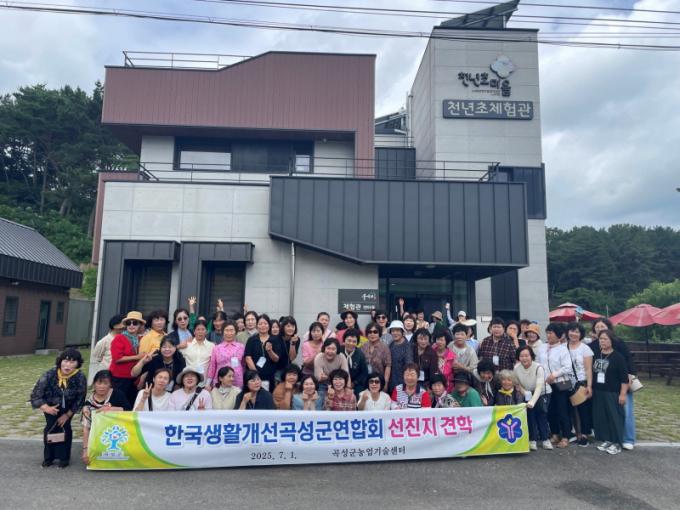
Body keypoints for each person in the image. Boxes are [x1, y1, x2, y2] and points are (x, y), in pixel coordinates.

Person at [30, 348, 87, 468]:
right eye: (65, 361)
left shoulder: (80, 376)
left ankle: (64, 458)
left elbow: (80, 398)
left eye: (72, 362)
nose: (68, 365)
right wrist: (46, 408)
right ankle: (49, 457)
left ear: (77, 363)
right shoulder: (49, 374)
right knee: (51, 428)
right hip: (50, 407)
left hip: (68, 409)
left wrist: (67, 415)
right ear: (60, 361)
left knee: (65, 428)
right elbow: (36, 394)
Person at [590, 318, 637, 451]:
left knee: (623, 412)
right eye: (597, 327)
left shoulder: (618, 347)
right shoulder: (594, 348)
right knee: (605, 415)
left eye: (602, 326)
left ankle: (626, 439)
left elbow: (627, 361)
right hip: (601, 388)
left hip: (618, 386)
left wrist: (630, 377)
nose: (599, 329)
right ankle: (608, 439)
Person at [80, 370, 130, 464]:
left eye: (105, 383)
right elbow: (86, 428)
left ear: (110, 384)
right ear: (94, 384)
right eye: (99, 383)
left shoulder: (118, 394)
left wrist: (111, 409)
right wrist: (85, 451)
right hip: (98, 437)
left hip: (118, 434)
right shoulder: (88, 404)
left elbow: (129, 411)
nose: (102, 386)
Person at [537, 322, 573, 449]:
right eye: (547, 333)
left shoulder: (563, 349)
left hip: (560, 384)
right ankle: (555, 433)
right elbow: (538, 363)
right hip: (546, 384)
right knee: (550, 410)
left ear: (558, 335)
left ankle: (566, 436)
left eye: (551, 333)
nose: (548, 335)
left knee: (562, 410)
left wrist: (554, 375)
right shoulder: (542, 347)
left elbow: (567, 367)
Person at [514, 345, 551, 451]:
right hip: (527, 393)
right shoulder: (516, 368)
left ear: (531, 356)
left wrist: (532, 401)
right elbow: (517, 384)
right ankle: (532, 440)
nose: (524, 358)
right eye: (521, 356)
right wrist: (525, 393)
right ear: (518, 357)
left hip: (542, 393)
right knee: (530, 416)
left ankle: (545, 439)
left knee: (541, 414)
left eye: (527, 355)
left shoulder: (539, 367)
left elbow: (539, 387)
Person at [566, 321, 594, 447]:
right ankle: (575, 433)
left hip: (581, 382)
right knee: (570, 410)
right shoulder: (563, 347)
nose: (574, 334)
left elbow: (588, 369)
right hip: (566, 383)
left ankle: (584, 434)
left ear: (581, 334)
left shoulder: (585, 348)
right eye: (572, 331)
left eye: (577, 332)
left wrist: (589, 386)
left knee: (583, 410)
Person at [109, 311, 145, 405]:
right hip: (119, 378)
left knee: (132, 405)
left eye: (135, 323)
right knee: (118, 404)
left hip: (135, 379)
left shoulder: (141, 339)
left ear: (140, 325)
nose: (131, 325)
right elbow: (117, 358)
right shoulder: (119, 338)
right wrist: (137, 357)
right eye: (129, 323)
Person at [244, 314, 286, 391]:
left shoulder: (275, 340)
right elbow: (248, 358)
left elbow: (276, 359)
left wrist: (270, 351)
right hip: (254, 377)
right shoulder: (251, 340)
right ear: (257, 326)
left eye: (265, 323)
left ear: (269, 325)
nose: (263, 326)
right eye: (260, 324)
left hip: (270, 376)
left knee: (268, 396)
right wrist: (256, 375)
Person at [206, 319, 245, 390]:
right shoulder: (216, 348)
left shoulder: (241, 347)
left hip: (237, 381)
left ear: (236, 332)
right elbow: (212, 366)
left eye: (231, 330)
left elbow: (243, 365)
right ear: (222, 332)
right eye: (226, 330)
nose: (229, 333)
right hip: (220, 382)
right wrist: (208, 383)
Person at [90, 313, 125, 384]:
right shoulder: (104, 341)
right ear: (115, 325)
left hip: (120, 374)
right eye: (123, 323)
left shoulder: (125, 339)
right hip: (106, 374)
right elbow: (97, 358)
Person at [361, 321, 392, 393]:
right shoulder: (363, 347)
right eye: (370, 332)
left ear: (379, 333)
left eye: (375, 332)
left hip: (379, 382)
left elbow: (388, 366)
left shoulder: (384, 348)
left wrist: (385, 383)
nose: (372, 334)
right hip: (365, 382)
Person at [388, 320, 414, 392]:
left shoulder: (407, 347)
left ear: (402, 332)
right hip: (391, 382)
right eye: (393, 331)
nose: (395, 333)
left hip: (402, 384)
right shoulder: (391, 344)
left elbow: (409, 366)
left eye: (397, 330)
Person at [341, 328, 368, 396]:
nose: (351, 343)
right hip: (340, 381)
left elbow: (364, 373)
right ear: (344, 340)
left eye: (354, 341)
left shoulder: (360, 355)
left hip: (356, 383)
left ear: (357, 343)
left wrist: (354, 383)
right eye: (349, 340)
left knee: (358, 395)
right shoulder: (339, 351)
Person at [432, 328, 456, 392]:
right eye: (438, 339)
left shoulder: (452, 356)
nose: (439, 342)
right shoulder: (431, 352)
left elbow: (454, 374)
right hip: (433, 387)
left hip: (447, 388)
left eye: (442, 340)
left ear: (446, 342)